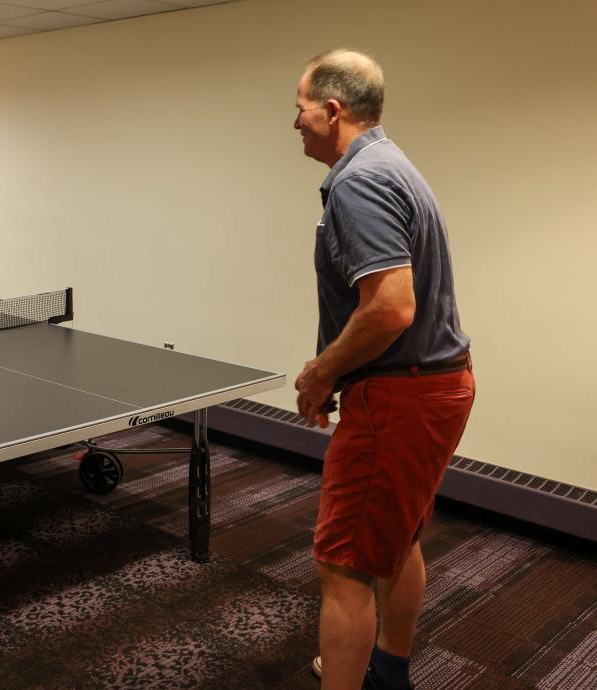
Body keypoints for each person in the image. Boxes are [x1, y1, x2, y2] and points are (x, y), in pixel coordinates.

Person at [291, 50, 475, 690]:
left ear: (333, 111)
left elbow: (393, 308)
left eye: (301, 108)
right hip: (435, 385)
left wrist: (319, 373)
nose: (296, 123)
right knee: (396, 542)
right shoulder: (392, 164)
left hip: (400, 395)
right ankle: (389, 673)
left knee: (342, 565)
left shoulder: (358, 181)